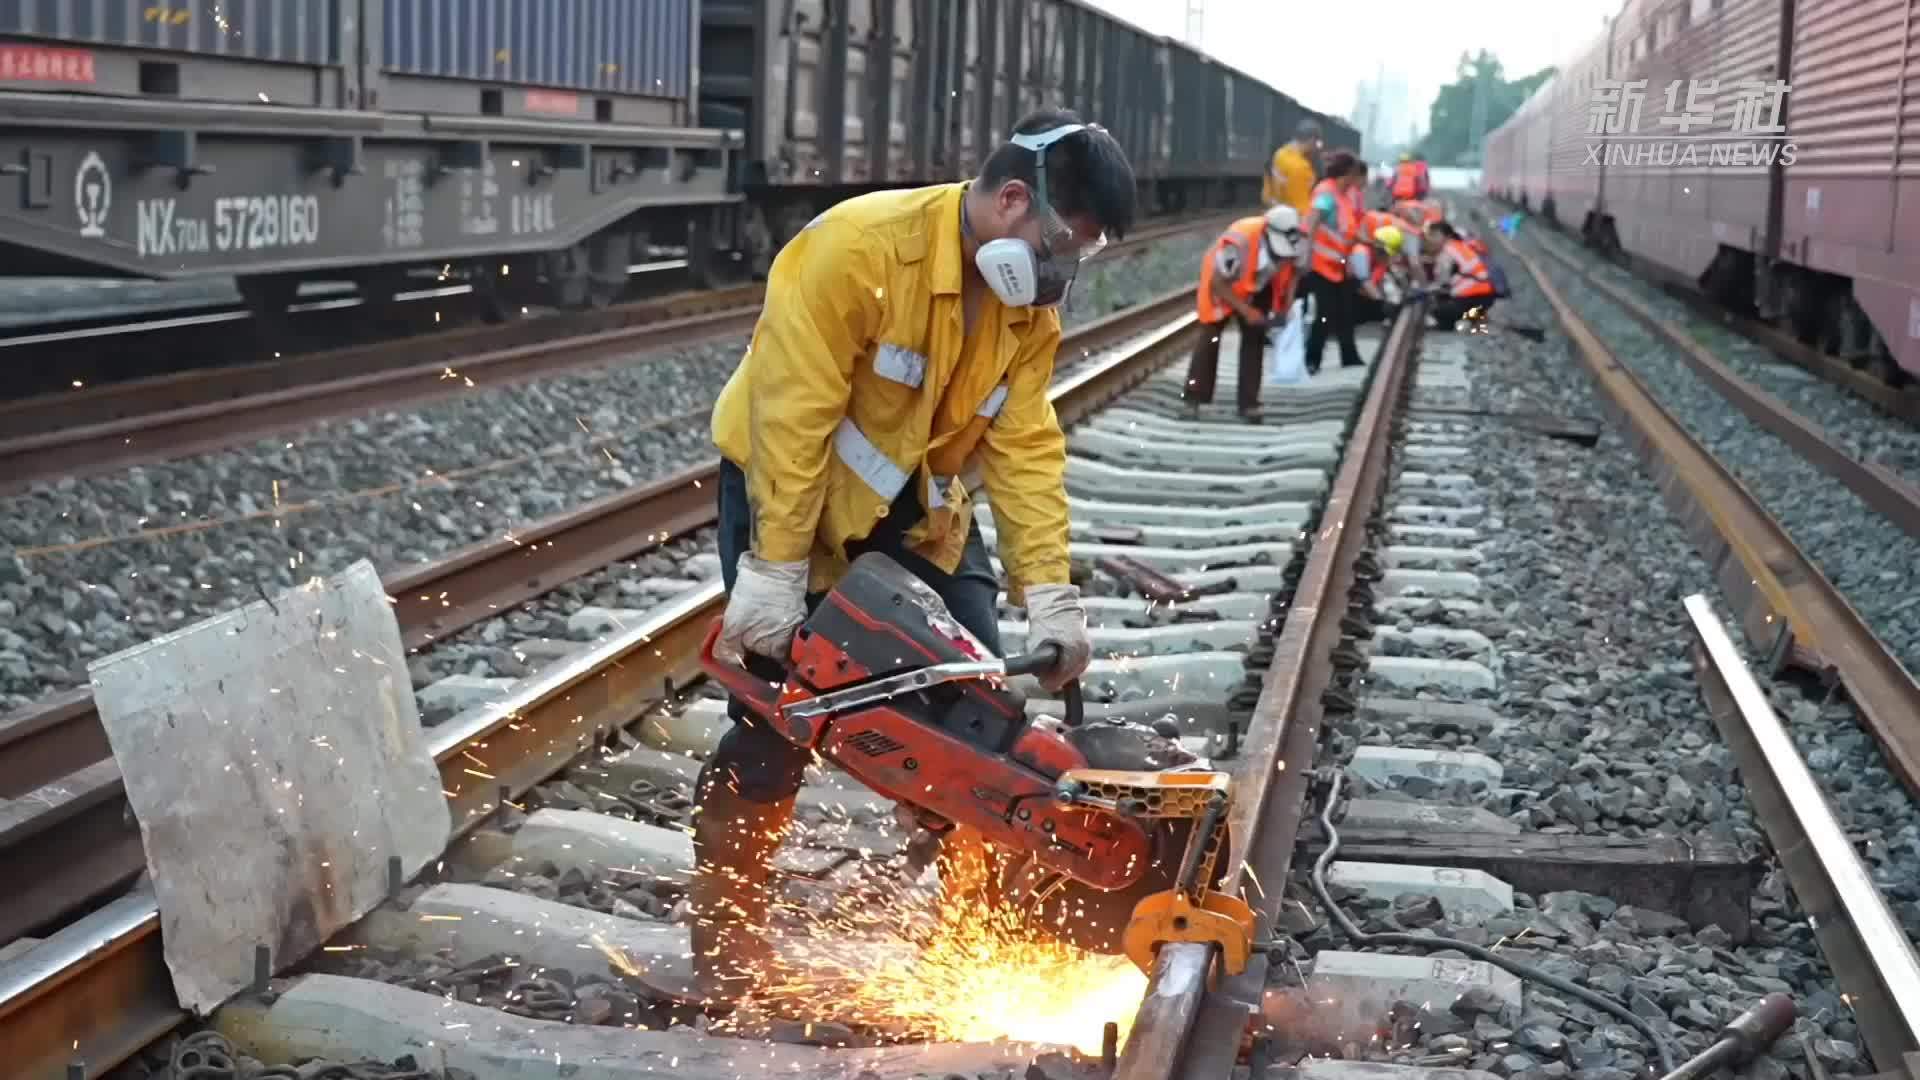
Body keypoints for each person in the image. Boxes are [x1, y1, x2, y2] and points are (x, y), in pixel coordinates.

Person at [695, 108, 1126, 1006]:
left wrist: (1050, 592)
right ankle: (725, 945)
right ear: (1012, 201)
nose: (1061, 270)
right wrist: (773, 575)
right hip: (789, 498)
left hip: (923, 514)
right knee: (780, 722)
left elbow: (1024, 447)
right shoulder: (855, 250)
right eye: (1060, 244)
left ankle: (969, 953)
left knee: (985, 731)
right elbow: (793, 422)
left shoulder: (1023, 314)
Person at [1181, 206, 1304, 421]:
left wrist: (1286, 307)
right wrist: (1246, 310)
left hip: (1259, 284)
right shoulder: (1239, 242)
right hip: (1224, 283)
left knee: (1254, 339)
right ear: (1269, 234)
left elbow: (1292, 275)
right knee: (1210, 336)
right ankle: (1193, 398)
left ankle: (1249, 404)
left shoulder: (1294, 240)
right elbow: (1217, 284)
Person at [1297, 150, 1369, 373]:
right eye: (1357, 176)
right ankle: (1312, 359)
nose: (1359, 182)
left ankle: (1349, 356)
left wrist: (1368, 243)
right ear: (1348, 174)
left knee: (1346, 312)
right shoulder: (1326, 194)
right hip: (1321, 266)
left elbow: (1345, 232)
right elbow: (1311, 224)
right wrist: (1305, 257)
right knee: (1325, 314)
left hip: (1339, 265)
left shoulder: (1343, 196)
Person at [1429, 220, 1499, 328]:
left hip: (1472, 296)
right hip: (1488, 296)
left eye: (1434, 235)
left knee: (1436, 309)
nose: (1431, 239)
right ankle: (1476, 318)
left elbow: (1442, 282)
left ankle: (1455, 324)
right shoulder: (1461, 245)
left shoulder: (1447, 251)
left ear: (1445, 236)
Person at [1264, 119, 1322, 216]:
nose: (1317, 147)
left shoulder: (1278, 154)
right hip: (1291, 221)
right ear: (1312, 140)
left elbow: (1266, 196)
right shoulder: (1300, 166)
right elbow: (1302, 208)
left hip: (1274, 215)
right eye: (1318, 143)